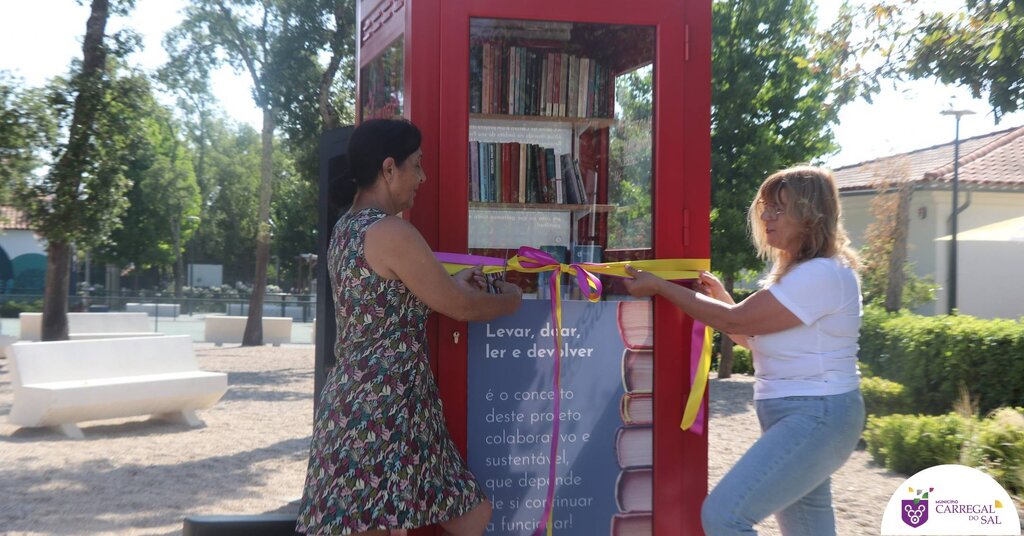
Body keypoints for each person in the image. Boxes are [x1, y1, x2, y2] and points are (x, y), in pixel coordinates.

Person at [296, 118, 523, 536]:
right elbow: (458, 306)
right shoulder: (391, 231)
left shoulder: (347, 227)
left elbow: (394, 301)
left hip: (391, 408)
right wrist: (511, 300)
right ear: (389, 169)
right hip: (380, 413)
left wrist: (452, 285)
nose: (423, 177)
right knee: (461, 517)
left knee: (472, 515)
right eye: (416, 164)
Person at [623, 166, 865, 536]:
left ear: (810, 214)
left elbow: (736, 321)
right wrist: (723, 300)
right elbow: (753, 337)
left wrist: (660, 287)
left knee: (724, 516)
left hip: (817, 413)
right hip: (810, 413)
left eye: (779, 208)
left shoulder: (820, 273)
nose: (766, 217)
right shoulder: (804, 272)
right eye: (765, 207)